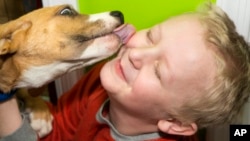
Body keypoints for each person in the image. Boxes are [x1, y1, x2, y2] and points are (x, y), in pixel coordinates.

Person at [1, 3, 250, 141]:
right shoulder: (101, 82)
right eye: (152, 36)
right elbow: (55, 135)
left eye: (159, 72)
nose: (136, 54)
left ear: (174, 123)